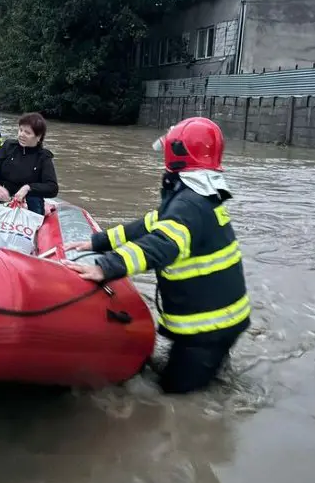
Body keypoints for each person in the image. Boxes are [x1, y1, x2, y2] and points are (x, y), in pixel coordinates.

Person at [63, 117, 250, 394]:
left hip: (205, 330)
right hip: (222, 321)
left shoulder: (188, 204)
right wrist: (98, 242)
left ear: (176, 155)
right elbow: (149, 224)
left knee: (175, 395)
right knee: (210, 383)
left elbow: (161, 244)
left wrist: (107, 266)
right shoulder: (200, 197)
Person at [0, 112, 58, 215]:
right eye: (20, 130)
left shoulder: (43, 157)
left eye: (27, 133)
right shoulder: (8, 146)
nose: (21, 134)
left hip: (29, 202)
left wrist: (28, 188)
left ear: (38, 137)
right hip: (3, 198)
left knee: (34, 198)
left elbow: (52, 188)